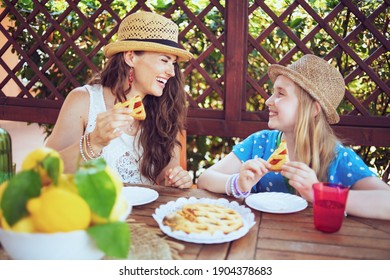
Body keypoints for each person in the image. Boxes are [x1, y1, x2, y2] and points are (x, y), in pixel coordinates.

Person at [197, 54, 390, 219]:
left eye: (281, 94)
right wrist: (237, 183)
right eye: (273, 93)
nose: (268, 101)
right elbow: (205, 178)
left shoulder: (337, 158)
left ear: (312, 109)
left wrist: (319, 193)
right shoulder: (259, 143)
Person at [45, 11, 194, 188]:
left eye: (174, 63)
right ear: (131, 57)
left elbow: (165, 177)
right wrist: (94, 141)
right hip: (88, 213)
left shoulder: (165, 109)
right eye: (164, 60)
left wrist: (176, 179)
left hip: (144, 214)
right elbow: (45, 174)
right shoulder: (84, 101)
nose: (171, 72)